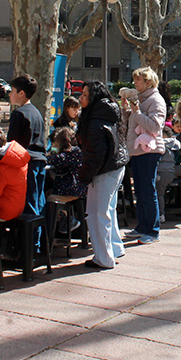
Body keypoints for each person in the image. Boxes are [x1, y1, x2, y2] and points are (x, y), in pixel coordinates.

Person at [77, 81, 128, 269]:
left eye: (84, 94)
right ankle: (113, 249)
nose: (80, 98)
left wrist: (84, 176)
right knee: (107, 211)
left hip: (105, 170)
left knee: (98, 213)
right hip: (113, 167)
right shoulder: (106, 113)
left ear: (93, 98)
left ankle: (104, 257)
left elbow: (95, 154)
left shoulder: (95, 121)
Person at [122, 67, 167, 244]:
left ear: (148, 82)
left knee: (148, 190)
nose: (135, 83)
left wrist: (137, 112)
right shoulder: (139, 99)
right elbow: (131, 123)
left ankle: (152, 230)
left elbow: (156, 126)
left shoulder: (156, 100)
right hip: (138, 149)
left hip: (150, 150)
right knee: (140, 190)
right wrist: (127, 110)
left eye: (138, 80)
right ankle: (142, 226)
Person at [7, 76, 47, 236]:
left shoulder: (19, 114)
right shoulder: (37, 113)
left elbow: (12, 145)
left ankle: (31, 246)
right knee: (39, 202)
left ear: (21, 93)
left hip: (25, 163)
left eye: (12, 91)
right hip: (40, 161)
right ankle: (40, 243)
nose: (9, 94)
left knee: (29, 204)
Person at [47, 126, 85, 234]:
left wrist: (47, 157)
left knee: (51, 199)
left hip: (72, 189)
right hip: (71, 188)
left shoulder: (72, 153)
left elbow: (57, 160)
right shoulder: (75, 151)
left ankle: (66, 220)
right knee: (48, 193)